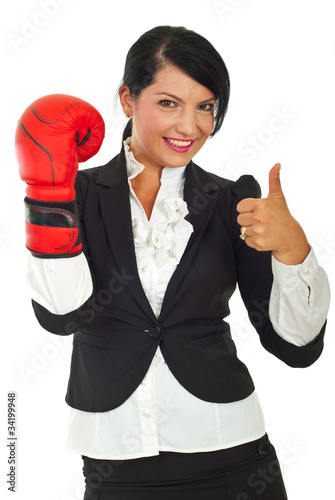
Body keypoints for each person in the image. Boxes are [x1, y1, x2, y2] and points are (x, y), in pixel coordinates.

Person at [16, 25, 330, 500]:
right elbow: (63, 316)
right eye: (168, 103)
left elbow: (296, 347)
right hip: (114, 463)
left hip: (233, 456)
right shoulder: (71, 194)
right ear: (127, 98)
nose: (190, 126)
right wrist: (47, 197)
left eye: (205, 106)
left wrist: (295, 251)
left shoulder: (230, 199)